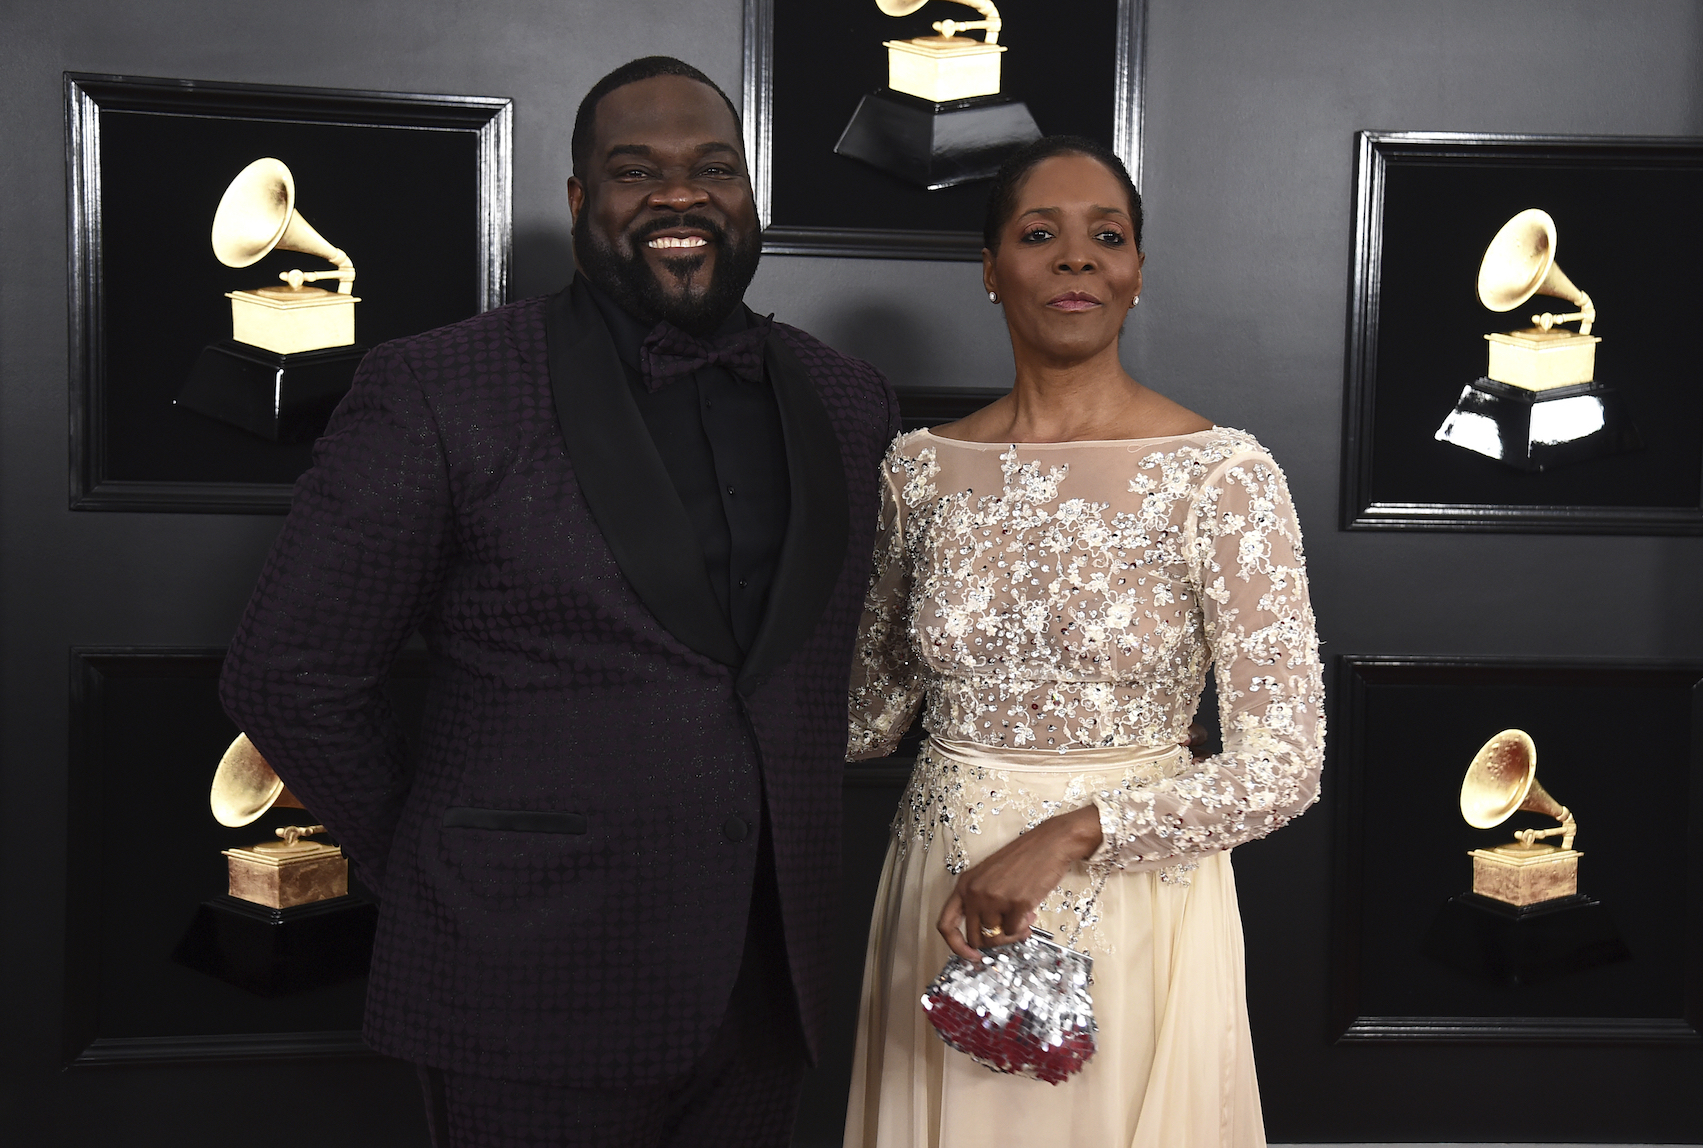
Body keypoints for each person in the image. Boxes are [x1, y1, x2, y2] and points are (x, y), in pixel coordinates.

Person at [219, 56, 898, 1148]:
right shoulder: (440, 386)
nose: (681, 195)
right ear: (581, 202)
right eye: (637, 171)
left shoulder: (849, 396)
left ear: (750, 194)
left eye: (713, 167)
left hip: (770, 987)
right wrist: (452, 867)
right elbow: (289, 670)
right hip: (521, 977)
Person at [841, 135, 1325, 1148]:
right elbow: (866, 716)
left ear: (1137, 273)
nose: (1077, 257)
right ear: (989, 268)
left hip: (1136, 898)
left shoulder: (1222, 476)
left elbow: (1284, 765)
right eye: (1038, 233)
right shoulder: (916, 472)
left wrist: (1066, 835)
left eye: (1107, 235)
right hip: (941, 887)